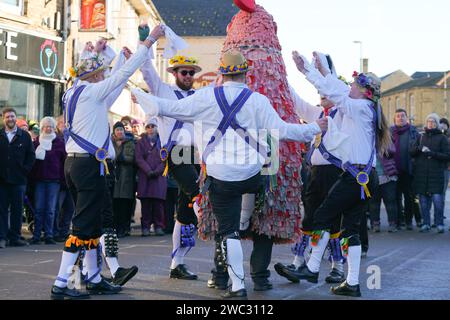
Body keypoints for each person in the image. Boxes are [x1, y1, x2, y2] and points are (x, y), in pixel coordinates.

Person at [133, 51, 326, 299]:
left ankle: (236, 285)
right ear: (246, 74)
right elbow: (284, 131)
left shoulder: (205, 97)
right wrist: (315, 128)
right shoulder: (258, 100)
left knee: (229, 232)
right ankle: (251, 241)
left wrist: (140, 96)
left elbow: (168, 108)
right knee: (253, 197)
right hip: (252, 175)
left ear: (222, 74)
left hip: (222, 177)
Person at [50, 26, 163, 299]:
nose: (104, 75)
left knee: (93, 224)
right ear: (94, 75)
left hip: (78, 165)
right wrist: (148, 42)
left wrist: (118, 61)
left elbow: (111, 91)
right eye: (101, 72)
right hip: (88, 167)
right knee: (82, 225)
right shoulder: (90, 93)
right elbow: (119, 78)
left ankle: (93, 277)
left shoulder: (74, 93)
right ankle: (62, 284)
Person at [290, 51, 391, 297]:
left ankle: (312, 267)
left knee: (322, 216)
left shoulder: (361, 108)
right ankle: (352, 283)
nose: (350, 87)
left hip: (354, 178)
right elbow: (337, 87)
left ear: (364, 91)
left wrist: (307, 72)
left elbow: (335, 92)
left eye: (354, 85)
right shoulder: (365, 106)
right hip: (362, 179)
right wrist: (323, 69)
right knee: (351, 231)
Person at [274, 52, 348, 285]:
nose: (321, 94)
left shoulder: (346, 114)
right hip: (316, 174)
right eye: (320, 92)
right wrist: (280, 77)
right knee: (310, 219)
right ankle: (298, 263)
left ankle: (337, 267)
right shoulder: (318, 114)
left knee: (334, 221)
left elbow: (334, 86)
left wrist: (324, 68)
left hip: (336, 173)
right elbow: (297, 102)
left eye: (326, 92)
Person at [138, 23, 202, 280]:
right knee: (199, 195)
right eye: (183, 72)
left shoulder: (200, 96)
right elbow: (145, 70)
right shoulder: (162, 90)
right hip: (175, 154)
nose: (187, 76)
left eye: (191, 73)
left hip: (195, 155)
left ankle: (177, 262)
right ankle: (221, 240)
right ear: (174, 72)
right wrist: (146, 41)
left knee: (185, 212)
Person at [0, 107, 35, 249]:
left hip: (19, 180)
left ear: (16, 118)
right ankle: (2, 238)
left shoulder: (25, 136)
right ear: (3, 119)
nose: (10, 119)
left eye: (12, 116)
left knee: (17, 210)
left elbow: (31, 156)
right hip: (1, 181)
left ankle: (15, 237)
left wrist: (24, 171)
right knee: (1, 211)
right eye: (7, 117)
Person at [29, 117, 66, 245]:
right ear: (42, 127)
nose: (48, 128)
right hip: (39, 180)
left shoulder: (59, 143)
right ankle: (37, 235)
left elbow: (63, 163)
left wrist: (63, 180)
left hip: (54, 181)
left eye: (50, 126)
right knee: (39, 209)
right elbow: (32, 162)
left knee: (51, 210)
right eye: (45, 126)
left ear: (53, 128)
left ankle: (49, 235)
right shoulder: (36, 143)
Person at [411, 113, 450, 233]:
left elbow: (447, 156)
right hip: (422, 174)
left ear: (437, 124)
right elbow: (411, 152)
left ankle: (439, 224)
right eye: (428, 121)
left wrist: (431, 153)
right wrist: (418, 149)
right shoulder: (421, 136)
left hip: (437, 173)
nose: (430, 123)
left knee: (438, 201)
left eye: (433, 121)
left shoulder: (442, 138)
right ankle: (426, 223)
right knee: (423, 202)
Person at [135, 118, 167, 236]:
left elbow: (165, 160)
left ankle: (159, 226)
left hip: (158, 178)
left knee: (158, 205)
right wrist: (148, 170)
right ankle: (146, 227)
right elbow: (138, 158)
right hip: (145, 177)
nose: (150, 129)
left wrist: (157, 171)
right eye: (148, 127)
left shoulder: (163, 142)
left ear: (157, 128)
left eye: (152, 126)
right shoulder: (140, 142)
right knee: (146, 205)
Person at [391, 109, 422, 230]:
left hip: (409, 170)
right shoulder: (390, 132)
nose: (400, 118)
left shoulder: (414, 132)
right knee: (396, 198)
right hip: (394, 170)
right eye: (398, 116)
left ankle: (409, 220)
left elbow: (418, 150)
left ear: (406, 118)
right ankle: (400, 220)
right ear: (395, 119)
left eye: (402, 116)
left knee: (409, 197)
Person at [111, 121, 136, 238]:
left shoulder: (130, 142)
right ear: (114, 132)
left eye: (121, 130)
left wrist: (121, 157)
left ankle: (125, 228)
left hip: (127, 177)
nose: (120, 132)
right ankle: (116, 227)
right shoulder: (110, 142)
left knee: (126, 204)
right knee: (115, 204)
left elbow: (131, 158)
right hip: (114, 177)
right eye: (117, 130)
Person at [369, 143, 399, 232]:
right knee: (374, 203)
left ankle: (392, 224)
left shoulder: (386, 140)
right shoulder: (367, 141)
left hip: (387, 177)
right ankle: (375, 224)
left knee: (390, 202)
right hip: (373, 178)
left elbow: (392, 152)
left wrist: (382, 148)